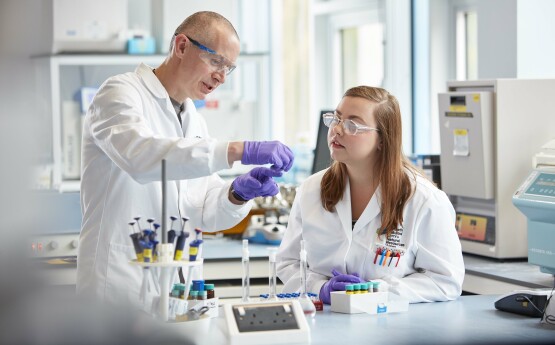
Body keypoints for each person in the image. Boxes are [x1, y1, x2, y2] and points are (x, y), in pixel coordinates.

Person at [77, 11, 294, 308]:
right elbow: (142, 156)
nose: (221, 77)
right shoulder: (119, 94)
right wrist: (235, 150)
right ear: (181, 46)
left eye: (228, 68)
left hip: (180, 291)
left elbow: (202, 211)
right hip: (119, 288)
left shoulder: (194, 120)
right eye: (216, 61)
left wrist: (236, 193)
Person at [277, 86, 464, 304]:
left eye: (352, 125)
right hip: (323, 324)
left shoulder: (424, 200)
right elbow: (287, 263)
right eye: (336, 119)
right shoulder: (311, 190)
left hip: (391, 328)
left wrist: (374, 291)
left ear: (383, 139)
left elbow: (445, 281)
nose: (336, 130)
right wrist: (320, 288)